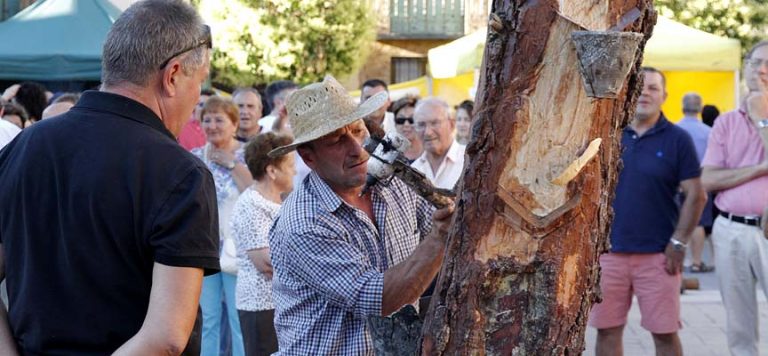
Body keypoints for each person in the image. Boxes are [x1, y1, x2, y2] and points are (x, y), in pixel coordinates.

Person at [0, 0, 219, 354]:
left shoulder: (27, 144)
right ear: (174, 74)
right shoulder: (181, 173)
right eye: (200, 81)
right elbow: (166, 337)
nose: (198, 99)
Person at [268, 75, 454, 355]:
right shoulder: (303, 221)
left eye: (357, 131)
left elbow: (451, 227)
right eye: (336, 140)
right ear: (308, 157)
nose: (356, 150)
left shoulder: (395, 186)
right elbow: (378, 300)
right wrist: (440, 238)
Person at [589, 67, 706, 356]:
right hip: (608, 255)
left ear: (665, 96)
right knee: (607, 331)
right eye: (639, 86)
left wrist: (679, 242)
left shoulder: (678, 139)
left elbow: (696, 194)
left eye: (653, 88)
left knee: (665, 335)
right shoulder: (608, 134)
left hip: (659, 257)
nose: (645, 93)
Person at [701, 41, 768, 356]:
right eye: (756, 63)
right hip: (731, 230)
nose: (762, 70)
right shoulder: (726, 122)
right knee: (739, 324)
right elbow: (709, 179)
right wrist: (759, 169)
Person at [191, 96, 252, 356]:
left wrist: (231, 163)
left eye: (219, 120)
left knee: (239, 320)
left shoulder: (246, 154)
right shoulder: (194, 157)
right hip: (202, 248)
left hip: (238, 250)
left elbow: (253, 192)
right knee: (208, 320)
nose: (212, 125)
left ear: (234, 124)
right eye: (207, 119)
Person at [231, 132, 296, 356]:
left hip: (279, 302)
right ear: (271, 170)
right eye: (290, 165)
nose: (295, 171)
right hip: (260, 305)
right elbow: (265, 263)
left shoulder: (279, 200)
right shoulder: (251, 205)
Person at [676, 92, 715, 272]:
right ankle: (697, 262)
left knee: (679, 220)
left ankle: (682, 259)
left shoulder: (675, 129)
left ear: (683, 106)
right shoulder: (709, 132)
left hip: (676, 182)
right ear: (699, 108)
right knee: (698, 222)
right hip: (701, 181)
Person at [411, 97, 467, 190]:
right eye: (421, 125)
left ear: (452, 124)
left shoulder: (469, 160)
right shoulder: (414, 170)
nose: (428, 132)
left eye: (435, 123)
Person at [391, 95, 423, 162]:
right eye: (401, 120)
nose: (406, 124)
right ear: (395, 124)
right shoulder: (388, 153)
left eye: (412, 119)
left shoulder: (430, 151)